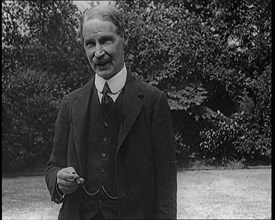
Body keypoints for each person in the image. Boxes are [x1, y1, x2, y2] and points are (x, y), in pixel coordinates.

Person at [45, 4, 177, 220]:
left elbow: (166, 187)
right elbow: (53, 167)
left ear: (123, 39)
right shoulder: (70, 103)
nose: (98, 53)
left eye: (106, 40)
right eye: (90, 44)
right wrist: (58, 180)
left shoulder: (153, 102)